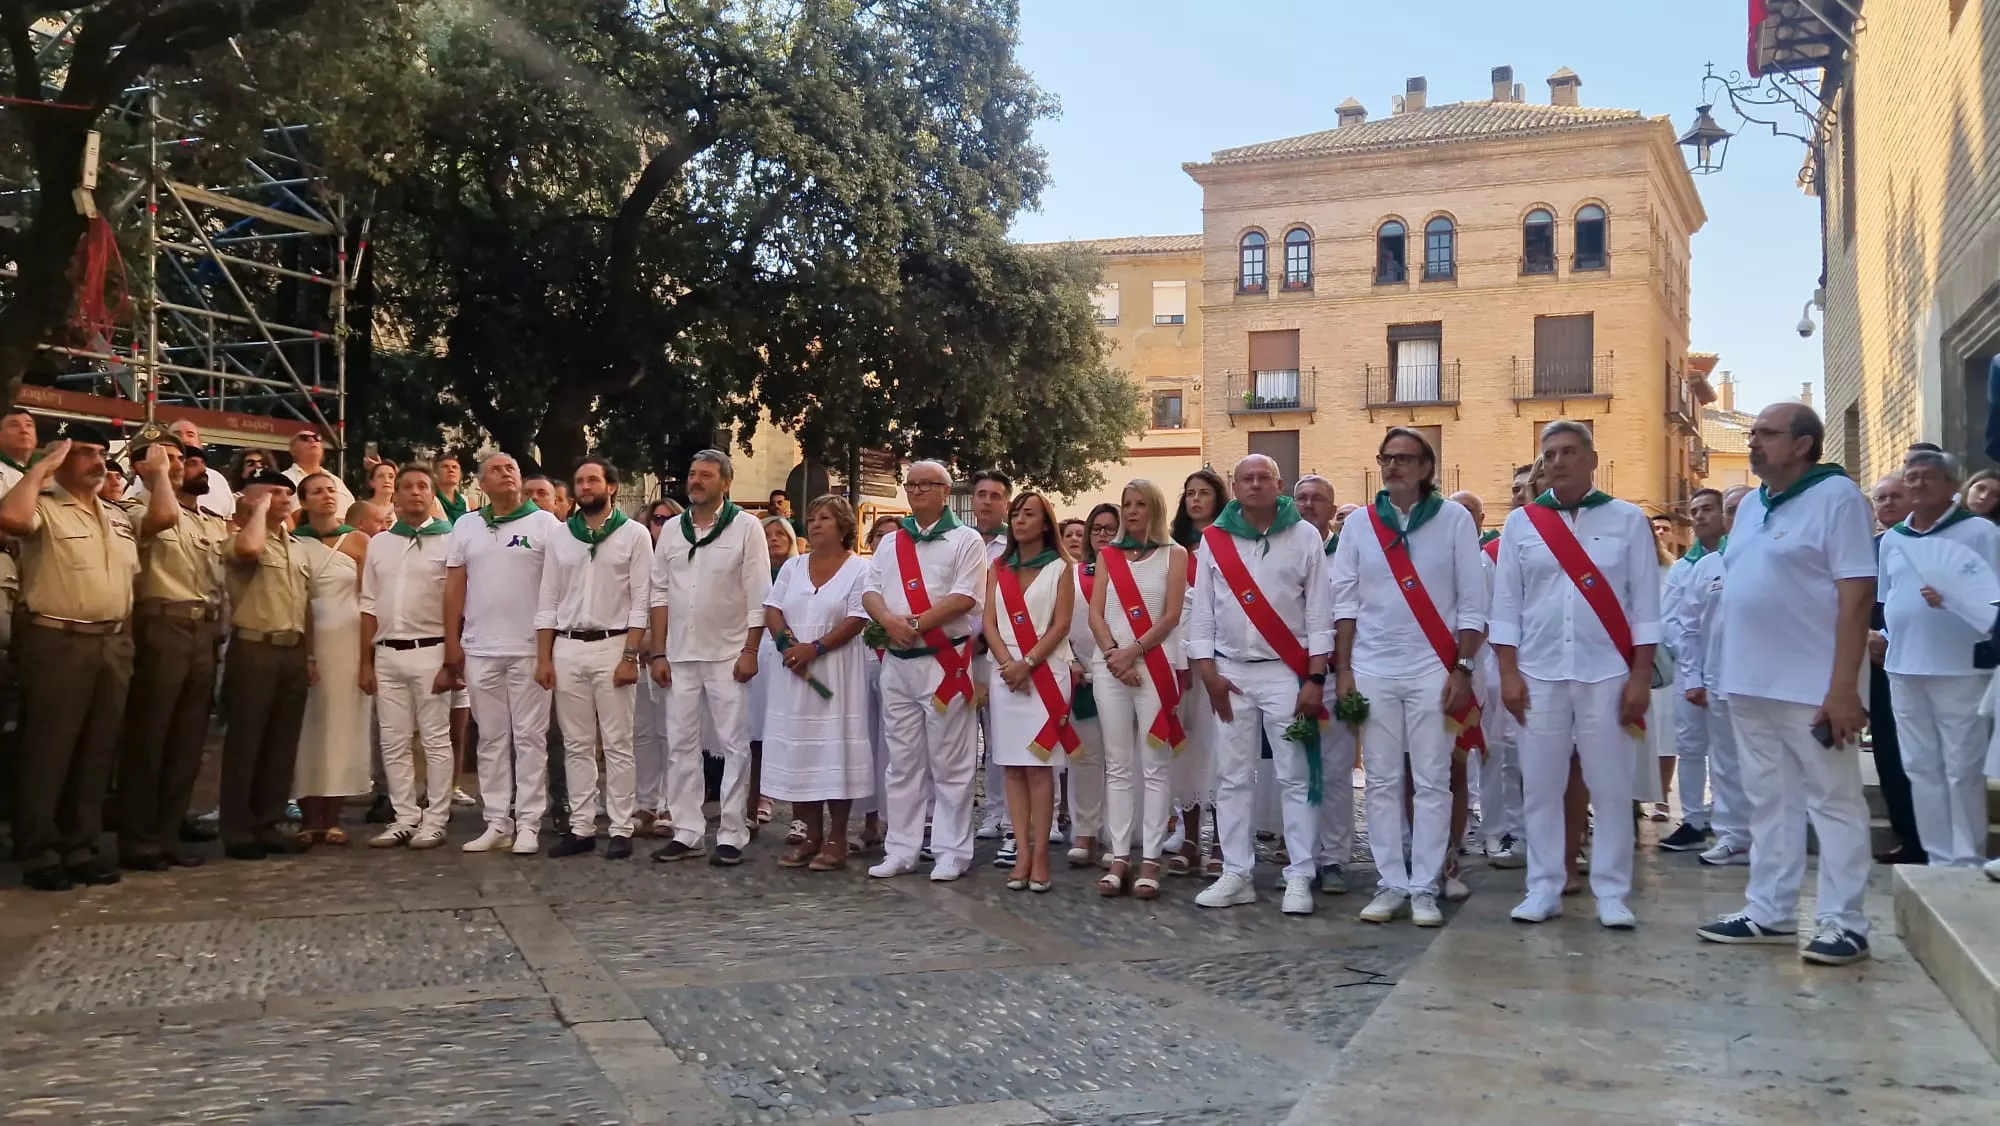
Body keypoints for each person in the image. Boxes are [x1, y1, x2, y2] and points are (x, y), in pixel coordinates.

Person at [1696, 403, 1875, 964]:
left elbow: (1857, 593)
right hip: (1749, 682)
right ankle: (1769, 911)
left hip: (1814, 685)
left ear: (1802, 444)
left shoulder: (1837, 497)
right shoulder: (1749, 506)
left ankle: (1844, 921)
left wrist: (1843, 686)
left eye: (1767, 434)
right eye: (1753, 434)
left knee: (1833, 800)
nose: (1754, 443)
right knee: (1768, 800)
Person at [1492, 421, 1660, 929]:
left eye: (1568, 452)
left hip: (1607, 671)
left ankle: (1612, 891)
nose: (1558, 461)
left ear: (1592, 458)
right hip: (1538, 673)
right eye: (1550, 454)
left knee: (1610, 788)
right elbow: (1506, 606)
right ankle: (1543, 887)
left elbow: (1646, 605)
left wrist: (1640, 676)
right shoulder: (1522, 524)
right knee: (1540, 787)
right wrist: (1508, 673)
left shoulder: (1628, 520)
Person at [1335, 430, 1486, 927]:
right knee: (1379, 780)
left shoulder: (1455, 520)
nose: (1393, 466)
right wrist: (1344, 670)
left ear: (1426, 467)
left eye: (1404, 459)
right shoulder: (1360, 524)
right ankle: (1390, 882)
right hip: (1374, 667)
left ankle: (1425, 886)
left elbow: (1472, 602)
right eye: (1387, 458)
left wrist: (1463, 668)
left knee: (1433, 780)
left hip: (1433, 670)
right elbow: (1346, 602)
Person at [1188, 454, 1334, 914]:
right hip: (1230, 671)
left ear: (1279, 483)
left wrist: (1314, 676)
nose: (1254, 485)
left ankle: (1300, 876)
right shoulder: (1215, 539)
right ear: (1234, 486)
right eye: (1246, 479)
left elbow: (1319, 612)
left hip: (1284, 671)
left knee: (1294, 775)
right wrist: (1207, 670)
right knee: (1231, 777)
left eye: (1263, 478)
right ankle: (1236, 873)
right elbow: (1204, 609)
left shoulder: (1304, 535)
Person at [0, 427, 142, 889]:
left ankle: (80, 846)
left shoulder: (116, 516)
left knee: (97, 751)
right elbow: (12, 520)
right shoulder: (43, 504)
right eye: (84, 453)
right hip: (58, 638)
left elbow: (129, 584)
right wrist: (40, 467)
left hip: (112, 641)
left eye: (101, 452)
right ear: (60, 460)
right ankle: (39, 850)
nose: (97, 460)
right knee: (49, 750)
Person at [861, 461, 987, 880]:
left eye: (925, 485)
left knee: (950, 761)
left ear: (945, 491)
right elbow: (870, 590)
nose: (915, 491)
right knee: (902, 761)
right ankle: (901, 847)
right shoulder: (891, 541)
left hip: (944, 661)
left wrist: (914, 624)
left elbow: (965, 596)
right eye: (911, 484)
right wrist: (889, 622)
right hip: (898, 662)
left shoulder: (966, 540)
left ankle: (952, 850)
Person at [648, 450, 772, 866]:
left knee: (734, 744)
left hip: (728, 653)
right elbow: (659, 593)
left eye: (706, 475)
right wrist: (659, 651)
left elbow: (759, 595)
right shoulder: (671, 531)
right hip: (680, 655)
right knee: (681, 744)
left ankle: (733, 831)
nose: (696, 480)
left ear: (726, 483)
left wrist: (751, 650)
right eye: (692, 473)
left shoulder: (746, 527)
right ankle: (687, 830)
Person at [1877, 450, 2000, 869]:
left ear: (1953, 487)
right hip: (1903, 667)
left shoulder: (1980, 532)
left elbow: (1994, 598)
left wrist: (1957, 600)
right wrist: (1884, 637)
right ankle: (1937, 856)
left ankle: (1965, 858)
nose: (1917, 484)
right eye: (1911, 477)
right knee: (1919, 765)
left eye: (1928, 477)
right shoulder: (1893, 540)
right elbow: (1888, 599)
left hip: (1960, 667)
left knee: (1961, 767)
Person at [114, 427, 227, 871]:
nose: (178, 465)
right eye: (167, 458)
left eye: (181, 460)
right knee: (151, 735)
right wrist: (158, 474)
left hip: (201, 628)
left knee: (186, 739)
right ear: (142, 466)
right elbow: (159, 520)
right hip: (160, 622)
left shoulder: (202, 516)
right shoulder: (132, 506)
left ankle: (168, 832)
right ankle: (138, 839)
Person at [534, 457, 652, 860]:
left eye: (592, 480)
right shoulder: (561, 537)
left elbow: (642, 600)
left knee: (618, 743)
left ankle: (620, 827)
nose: (584, 486)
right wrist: (544, 657)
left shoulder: (634, 535)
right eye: (579, 481)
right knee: (576, 742)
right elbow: (548, 598)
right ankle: (581, 827)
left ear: (611, 487)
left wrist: (630, 654)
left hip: (613, 643)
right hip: (568, 645)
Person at [446, 453, 564, 855]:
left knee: (530, 738)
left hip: (529, 648)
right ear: (481, 484)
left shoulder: (546, 523)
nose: (507, 473)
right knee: (491, 739)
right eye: (496, 469)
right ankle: (497, 820)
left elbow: (555, 590)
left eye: (511, 467)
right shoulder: (466, 525)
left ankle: (529, 822)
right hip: (480, 647)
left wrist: (548, 651)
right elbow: (455, 587)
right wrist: (452, 643)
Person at [761, 495, 873, 869]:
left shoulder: (859, 569)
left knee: (833, 751)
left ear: (843, 526)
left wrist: (817, 647)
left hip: (836, 672)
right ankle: (810, 834)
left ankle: (837, 837)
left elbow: (857, 617)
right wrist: (787, 644)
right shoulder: (793, 566)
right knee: (800, 750)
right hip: (793, 670)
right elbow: (773, 607)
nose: (816, 524)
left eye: (825, 517)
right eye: (811, 518)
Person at [1089, 482, 1187, 899]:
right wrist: (1114, 654)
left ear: (1156, 509)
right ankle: (1119, 855)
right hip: (1110, 665)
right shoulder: (1108, 555)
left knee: (1154, 762)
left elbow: (1172, 613)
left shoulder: (1175, 554)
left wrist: (1134, 651)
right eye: (1126, 504)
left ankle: (1151, 856)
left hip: (1154, 665)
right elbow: (1096, 612)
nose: (1131, 512)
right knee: (1117, 763)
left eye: (1140, 505)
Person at [221, 465, 316, 860]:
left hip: (290, 648)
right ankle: (239, 829)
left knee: (280, 742)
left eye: (285, 494)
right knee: (247, 741)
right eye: (274, 492)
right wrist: (257, 510)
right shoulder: (240, 536)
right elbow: (249, 551)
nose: (284, 499)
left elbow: (306, 603)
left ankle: (268, 821)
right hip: (255, 647)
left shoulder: (294, 546)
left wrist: (308, 653)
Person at [983, 491, 1076, 892]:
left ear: (1045, 523)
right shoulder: (997, 568)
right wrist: (1008, 663)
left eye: (1029, 514)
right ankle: (1020, 850)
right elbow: (989, 622)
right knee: (1012, 767)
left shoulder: (1061, 568)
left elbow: (1061, 625)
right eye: (1016, 513)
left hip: (1044, 671)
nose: (1020, 520)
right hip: (1006, 674)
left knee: (1039, 768)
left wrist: (1027, 663)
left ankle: (1040, 854)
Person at [359, 466, 456, 849]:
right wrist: (365, 660)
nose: (415, 493)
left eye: (422, 487)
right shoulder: (380, 543)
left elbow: (459, 604)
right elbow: (368, 602)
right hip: (387, 651)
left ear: (433, 495)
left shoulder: (450, 541)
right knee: (393, 739)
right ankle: (404, 815)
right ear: (394, 497)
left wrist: (452, 658)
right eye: (406, 487)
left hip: (431, 649)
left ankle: (435, 817)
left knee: (435, 739)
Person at [1672, 485, 1756, 867]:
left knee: (1763, 761)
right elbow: (1687, 628)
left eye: (1743, 509)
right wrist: (1694, 679)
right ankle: (1733, 836)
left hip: (1765, 680)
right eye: (1732, 510)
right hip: (1719, 678)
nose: (1735, 517)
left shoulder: (1776, 558)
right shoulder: (1704, 568)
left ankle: (1767, 836)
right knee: (1724, 760)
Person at [291, 472, 372, 844]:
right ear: (303, 501)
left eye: (331, 490)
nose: (326, 496)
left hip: (348, 640)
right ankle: (309, 817)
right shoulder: (293, 542)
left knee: (342, 726)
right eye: (317, 492)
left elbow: (369, 597)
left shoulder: (358, 541)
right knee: (309, 727)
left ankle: (333, 816)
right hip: (309, 640)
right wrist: (306, 653)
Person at [1297, 475, 1359, 893]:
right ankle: (1301, 853)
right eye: (1301, 497)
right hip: (1287, 674)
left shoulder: (1348, 557)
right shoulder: (1283, 550)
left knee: (1336, 770)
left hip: (1335, 674)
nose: (1308, 504)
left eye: (1318, 498)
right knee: (1296, 771)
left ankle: (1334, 858)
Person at [1659, 488, 1730, 852]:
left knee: (1728, 749)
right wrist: (1692, 670)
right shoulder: (1683, 568)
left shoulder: (1738, 558)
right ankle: (1692, 821)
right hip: (1690, 671)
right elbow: (1672, 622)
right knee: (1689, 746)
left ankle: (1727, 817)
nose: (1700, 516)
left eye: (1707, 509)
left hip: (1731, 671)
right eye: (1694, 510)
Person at [1459, 483, 1524, 869]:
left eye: (1471, 511)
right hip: (1470, 665)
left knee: (1502, 752)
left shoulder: (1495, 556)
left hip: (1502, 664)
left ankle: (1506, 828)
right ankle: (1481, 825)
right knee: (1477, 750)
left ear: (1483, 520)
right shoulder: (1473, 558)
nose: (1464, 518)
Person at [1168, 467, 1229, 877]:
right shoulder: (1172, 551)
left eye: (1203, 492)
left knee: (1224, 753)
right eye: (1189, 493)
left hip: (1221, 661)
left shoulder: (1231, 545)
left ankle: (1224, 841)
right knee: (1188, 751)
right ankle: (1190, 837)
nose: (1195, 500)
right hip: (1181, 662)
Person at [1866, 473, 1924, 864]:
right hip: (1876, 664)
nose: (1887, 503)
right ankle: (1906, 835)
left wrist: (1889, 635)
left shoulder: (1932, 544)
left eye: (1895, 496)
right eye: (1880, 498)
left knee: (1923, 756)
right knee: (1888, 752)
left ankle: (1933, 841)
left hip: (1922, 662)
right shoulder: (1870, 548)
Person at [968, 469, 1020, 862]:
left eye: (995, 495)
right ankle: (979, 813)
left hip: (997, 651)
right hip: (953, 652)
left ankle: (1005, 817)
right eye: (981, 494)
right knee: (961, 738)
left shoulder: (1013, 547)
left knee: (999, 735)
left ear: (1006, 502)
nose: (987, 501)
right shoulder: (961, 541)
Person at [1064, 504, 1119, 869]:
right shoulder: (1069, 575)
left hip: (1122, 673)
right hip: (1082, 675)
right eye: (1096, 529)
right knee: (1084, 757)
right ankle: (1084, 830)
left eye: (1110, 529)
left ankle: (1119, 835)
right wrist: (1072, 664)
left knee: (1120, 759)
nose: (1102, 535)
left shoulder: (1132, 571)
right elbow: (1054, 623)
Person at [634, 497, 684, 836]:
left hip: (673, 655)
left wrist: (659, 647)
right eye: (656, 519)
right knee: (641, 734)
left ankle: (671, 804)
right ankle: (644, 803)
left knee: (672, 733)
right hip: (636, 656)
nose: (661, 525)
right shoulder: (637, 559)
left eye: (668, 519)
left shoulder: (682, 560)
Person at [750, 515, 796, 832]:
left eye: (781, 533)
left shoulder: (799, 572)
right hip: (756, 653)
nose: (774, 539)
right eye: (767, 534)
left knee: (791, 732)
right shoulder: (754, 574)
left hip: (786, 652)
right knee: (756, 732)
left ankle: (800, 814)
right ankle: (756, 801)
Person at [281, 429, 355, 512]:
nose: (312, 441)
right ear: (292, 450)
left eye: (316, 438)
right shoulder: (283, 480)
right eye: (304, 438)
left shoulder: (337, 481)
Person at [435, 454, 476, 524]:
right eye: (445, 467)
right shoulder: (431, 501)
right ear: (435, 474)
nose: (451, 470)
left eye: (454, 467)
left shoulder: (469, 503)